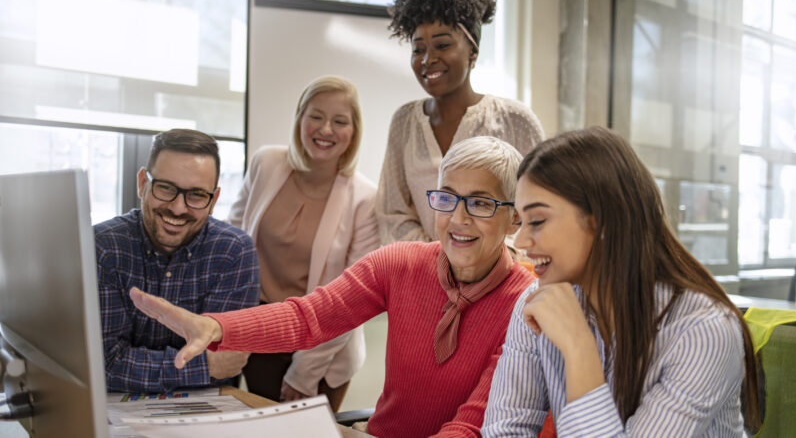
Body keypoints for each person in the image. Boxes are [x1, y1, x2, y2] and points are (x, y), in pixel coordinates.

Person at [129, 136, 536, 438]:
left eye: (480, 204)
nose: (459, 219)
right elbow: (309, 317)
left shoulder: (526, 302)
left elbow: (470, 424)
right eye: (447, 199)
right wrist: (216, 328)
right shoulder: (401, 263)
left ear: (514, 218)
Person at [482, 127, 761, 437]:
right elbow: (505, 430)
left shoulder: (703, 330)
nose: (520, 240)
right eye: (520, 220)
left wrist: (578, 348)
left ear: (601, 221)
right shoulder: (539, 301)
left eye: (537, 221)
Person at [226, 75, 378, 410]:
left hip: (323, 347)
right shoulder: (266, 163)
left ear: (354, 132)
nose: (326, 130)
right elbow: (230, 244)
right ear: (300, 118)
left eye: (340, 121)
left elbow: (352, 298)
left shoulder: (365, 198)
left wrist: (304, 373)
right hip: (259, 332)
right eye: (316, 116)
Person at [376, 0, 545, 244]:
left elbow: (538, 208)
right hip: (425, 275)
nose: (428, 59)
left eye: (442, 45)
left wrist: (482, 261)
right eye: (418, 49)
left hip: (501, 278)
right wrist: (440, 258)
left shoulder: (515, 120)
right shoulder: (404, 122)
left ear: (473, 52)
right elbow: (392, 212)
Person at [94, 128, 259, 394]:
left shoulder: (234, 252)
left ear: (214, 200)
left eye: (196, 195)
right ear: (142, 183)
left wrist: (138, 364)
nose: (178, 208)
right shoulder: (103, 248)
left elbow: (227, 365)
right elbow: (103, 365)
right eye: (166, 188)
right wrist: (203, 366)